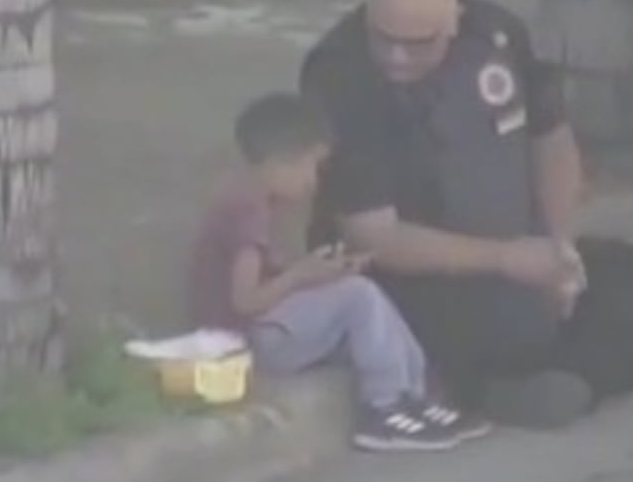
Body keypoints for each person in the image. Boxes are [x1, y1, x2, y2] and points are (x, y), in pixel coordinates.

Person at [300, 0, 633, 430]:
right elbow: (373, 236)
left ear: (455, 17)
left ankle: (560, 379)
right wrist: (505, 259)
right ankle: (504, 385)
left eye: (418, 43)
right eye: (384, 38)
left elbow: (551, 140)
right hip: (420, 273)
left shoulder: (497, 35)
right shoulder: (341, 72)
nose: (396, 56)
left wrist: (560, 250)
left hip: (515, 249)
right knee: (501, 327)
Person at [187, 92, 492, 451]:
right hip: (245, 344)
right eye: (312, 167)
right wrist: (301, 276)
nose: (314, 182)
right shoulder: (247, 211)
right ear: (282, 161)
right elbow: (245, 301)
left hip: (263, 333)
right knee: (358, 296)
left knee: (355, 290)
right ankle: (385, 407)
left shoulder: (254, 203)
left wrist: (320, 273)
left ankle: (415, 396)